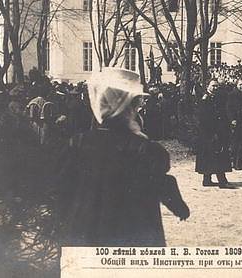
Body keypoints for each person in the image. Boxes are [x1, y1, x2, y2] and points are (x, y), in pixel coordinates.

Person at [58, 68, 189, 247]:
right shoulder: (146, 149)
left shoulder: (78, 143)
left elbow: (62, 187)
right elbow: (163, 184)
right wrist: (180, 208)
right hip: (134, 234)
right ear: (130, 108)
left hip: (86, 234)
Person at [196, 80, 236, 189]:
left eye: (217, 86)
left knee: (211, 156)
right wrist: (211, 133)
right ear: (207, 86)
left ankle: (207, 179)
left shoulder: (217, 98)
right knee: (216, 156)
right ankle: (222, 182)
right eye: (213, 86)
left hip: (216, 132)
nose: (215, 88)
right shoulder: (204, 99)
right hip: (209, 133)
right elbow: (203, 118)